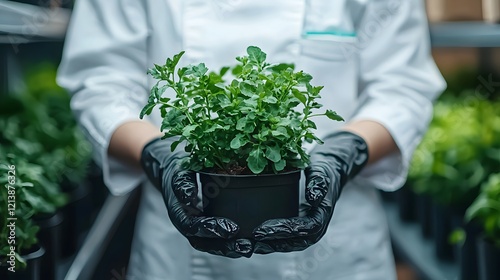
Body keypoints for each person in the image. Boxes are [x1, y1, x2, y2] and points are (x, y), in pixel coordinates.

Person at [57, 0, 445, 279]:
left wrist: (344, 153)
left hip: (338, 250)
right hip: (180, 255)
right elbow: (101, 84)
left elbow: (402, 86)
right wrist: (159, 155)